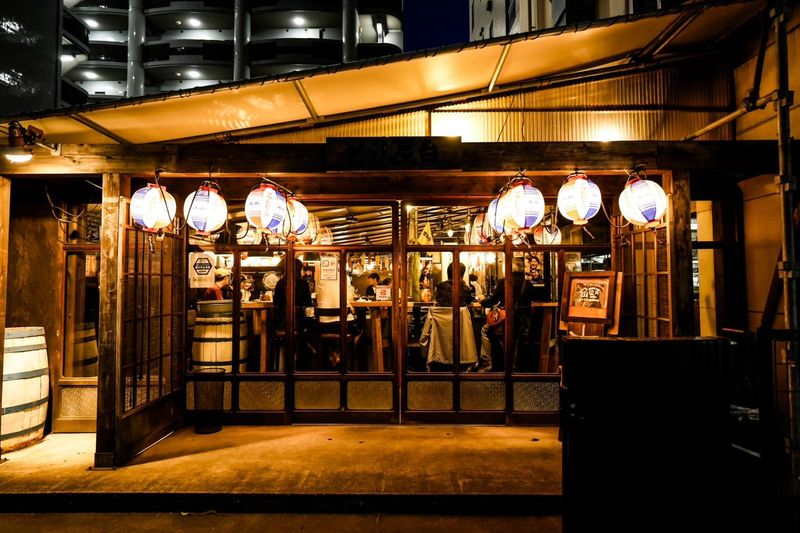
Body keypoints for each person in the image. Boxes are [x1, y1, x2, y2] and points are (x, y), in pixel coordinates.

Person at [477, 271, 538, 372]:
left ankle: (489, 361)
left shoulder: (505, 282)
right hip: (522, 322)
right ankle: (516, 365)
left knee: (486, 329)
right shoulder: (528, 284)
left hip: (507, 320)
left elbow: (493, 300)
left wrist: (482, 301)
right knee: (516, 340)